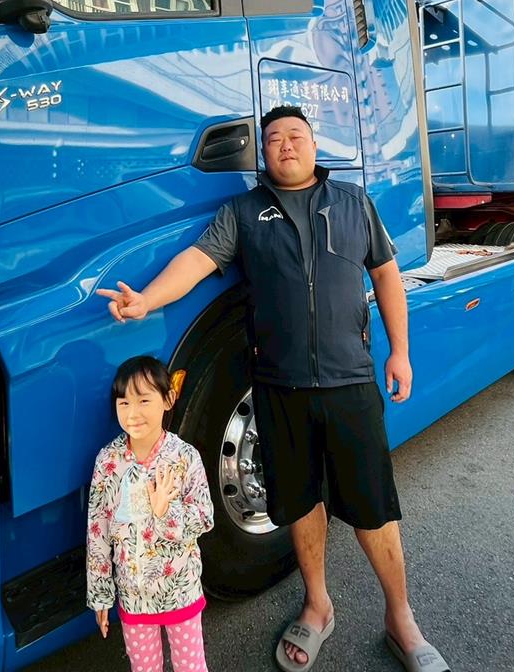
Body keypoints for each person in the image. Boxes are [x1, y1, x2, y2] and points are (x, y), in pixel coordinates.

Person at [98, 105, 450, 672]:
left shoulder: (353, 202)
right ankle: (317, 605)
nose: (286, 144)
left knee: (373, 507)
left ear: (314, 145)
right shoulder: (243, 213)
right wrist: (146, 299)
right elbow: (196, 261)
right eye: (274, 139)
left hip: (350, 381)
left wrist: (400, 352)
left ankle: (400, 617)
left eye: (296, 135)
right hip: (279, 389)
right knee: (298, 501)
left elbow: (385, 273)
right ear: (264, 154)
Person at [86, 354, 214, 672]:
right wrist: (101, 594)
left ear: (168, 399)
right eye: (124, 403)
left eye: (144, 400)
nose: (133, 413)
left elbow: (205, 517)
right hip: (134, 597)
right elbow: (98, 530)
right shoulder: (108, 462)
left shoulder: (184, 457)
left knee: (191, 667)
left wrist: (165, 511)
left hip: (180, 591)